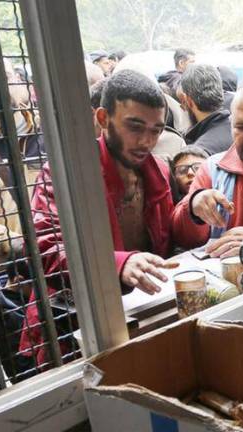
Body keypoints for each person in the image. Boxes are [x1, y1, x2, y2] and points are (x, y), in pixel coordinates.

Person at [21, 70, 175, 368]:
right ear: (103, 118)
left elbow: (169, 239)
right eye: (135, 126)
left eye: (156, 130)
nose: (147, 141)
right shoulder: (65, 175)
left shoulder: (158, 170)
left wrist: (194, 209)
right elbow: (45, 251)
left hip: (136, 321)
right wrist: (115, 264)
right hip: (69, 333)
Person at [171, 79, 243, 257]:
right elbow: (183, 237)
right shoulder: (212, 169)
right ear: (231, 125)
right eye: (241, 127)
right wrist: (193, 207)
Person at [177, 64, 232, 155]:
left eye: (182, 102)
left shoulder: (199, 153)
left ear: (188, 101)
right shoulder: (239, 130)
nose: (182, 108)